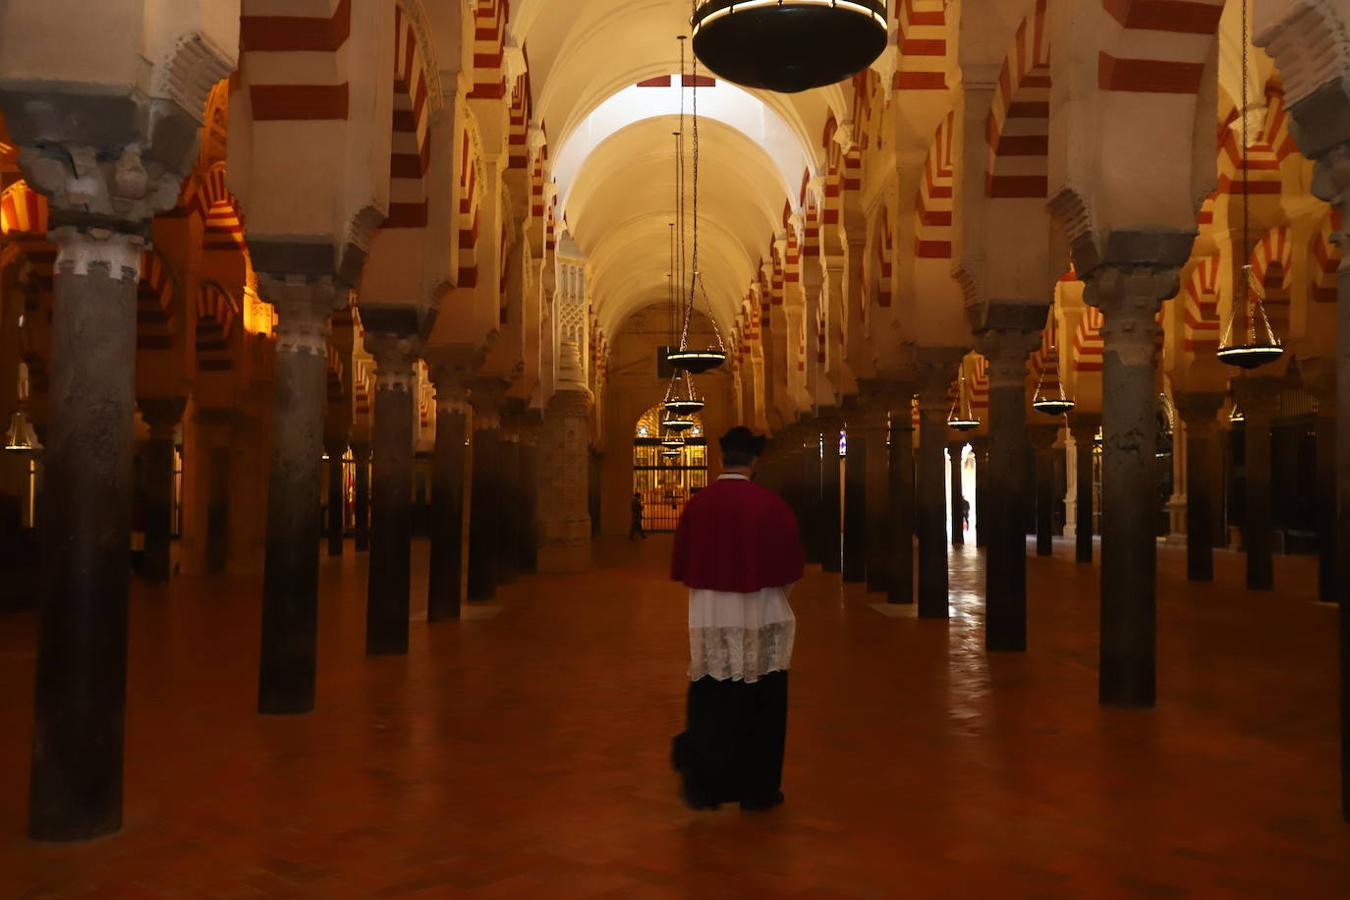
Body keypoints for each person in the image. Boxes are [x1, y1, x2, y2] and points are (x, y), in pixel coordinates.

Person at [670, 426, 805, 811]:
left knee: (712, 699)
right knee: (761, 704)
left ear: (720, 459)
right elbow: (790, 569)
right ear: (755, 462)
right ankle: (758, 789)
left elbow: (684, 566)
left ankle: (706, 786)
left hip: (710, 618)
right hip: (762, 615)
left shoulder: (698, 506)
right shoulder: (771, 506)